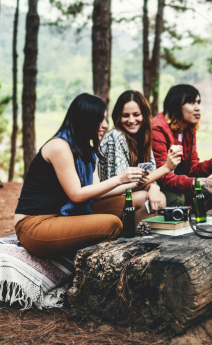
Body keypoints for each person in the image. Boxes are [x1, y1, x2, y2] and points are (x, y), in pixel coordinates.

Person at [13, 93, 157, 260]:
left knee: (142, 200)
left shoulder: (86, 150)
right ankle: (118, 261)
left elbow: (99, 193)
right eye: (100, 120)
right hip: (35, 225)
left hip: (65, 214)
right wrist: (119, 178)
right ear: (85, 121)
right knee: (112, 223)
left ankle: (141, 253)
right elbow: (77, 195)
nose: (104, 125)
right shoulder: (59, 146)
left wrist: (137, 182)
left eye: (105, 120)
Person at [152, 84, 212, 209]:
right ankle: (173, 228)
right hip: (155, 186)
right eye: (191, 103)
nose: (197, 108)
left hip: (175, 183)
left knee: (205, 194)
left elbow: (192, 170)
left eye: (198, 102)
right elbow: (163, 176)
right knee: (176, 198)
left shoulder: (188, 130)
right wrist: (202, 182)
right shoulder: (158, 128)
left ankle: (200, 227)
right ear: (176, 105)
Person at [98, 90, 181, 214]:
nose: (131, 120)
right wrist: (166, 168)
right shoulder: (116, 136)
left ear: (144, 115)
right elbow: (122, 186)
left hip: (129, 194)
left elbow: (151, 175)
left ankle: (143, 231)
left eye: (136, 114)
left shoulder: (143, 137)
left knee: (159, 198)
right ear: (118, 116)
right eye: (125, 115)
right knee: (147, 199)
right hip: (105, 198)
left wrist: (153, 186)